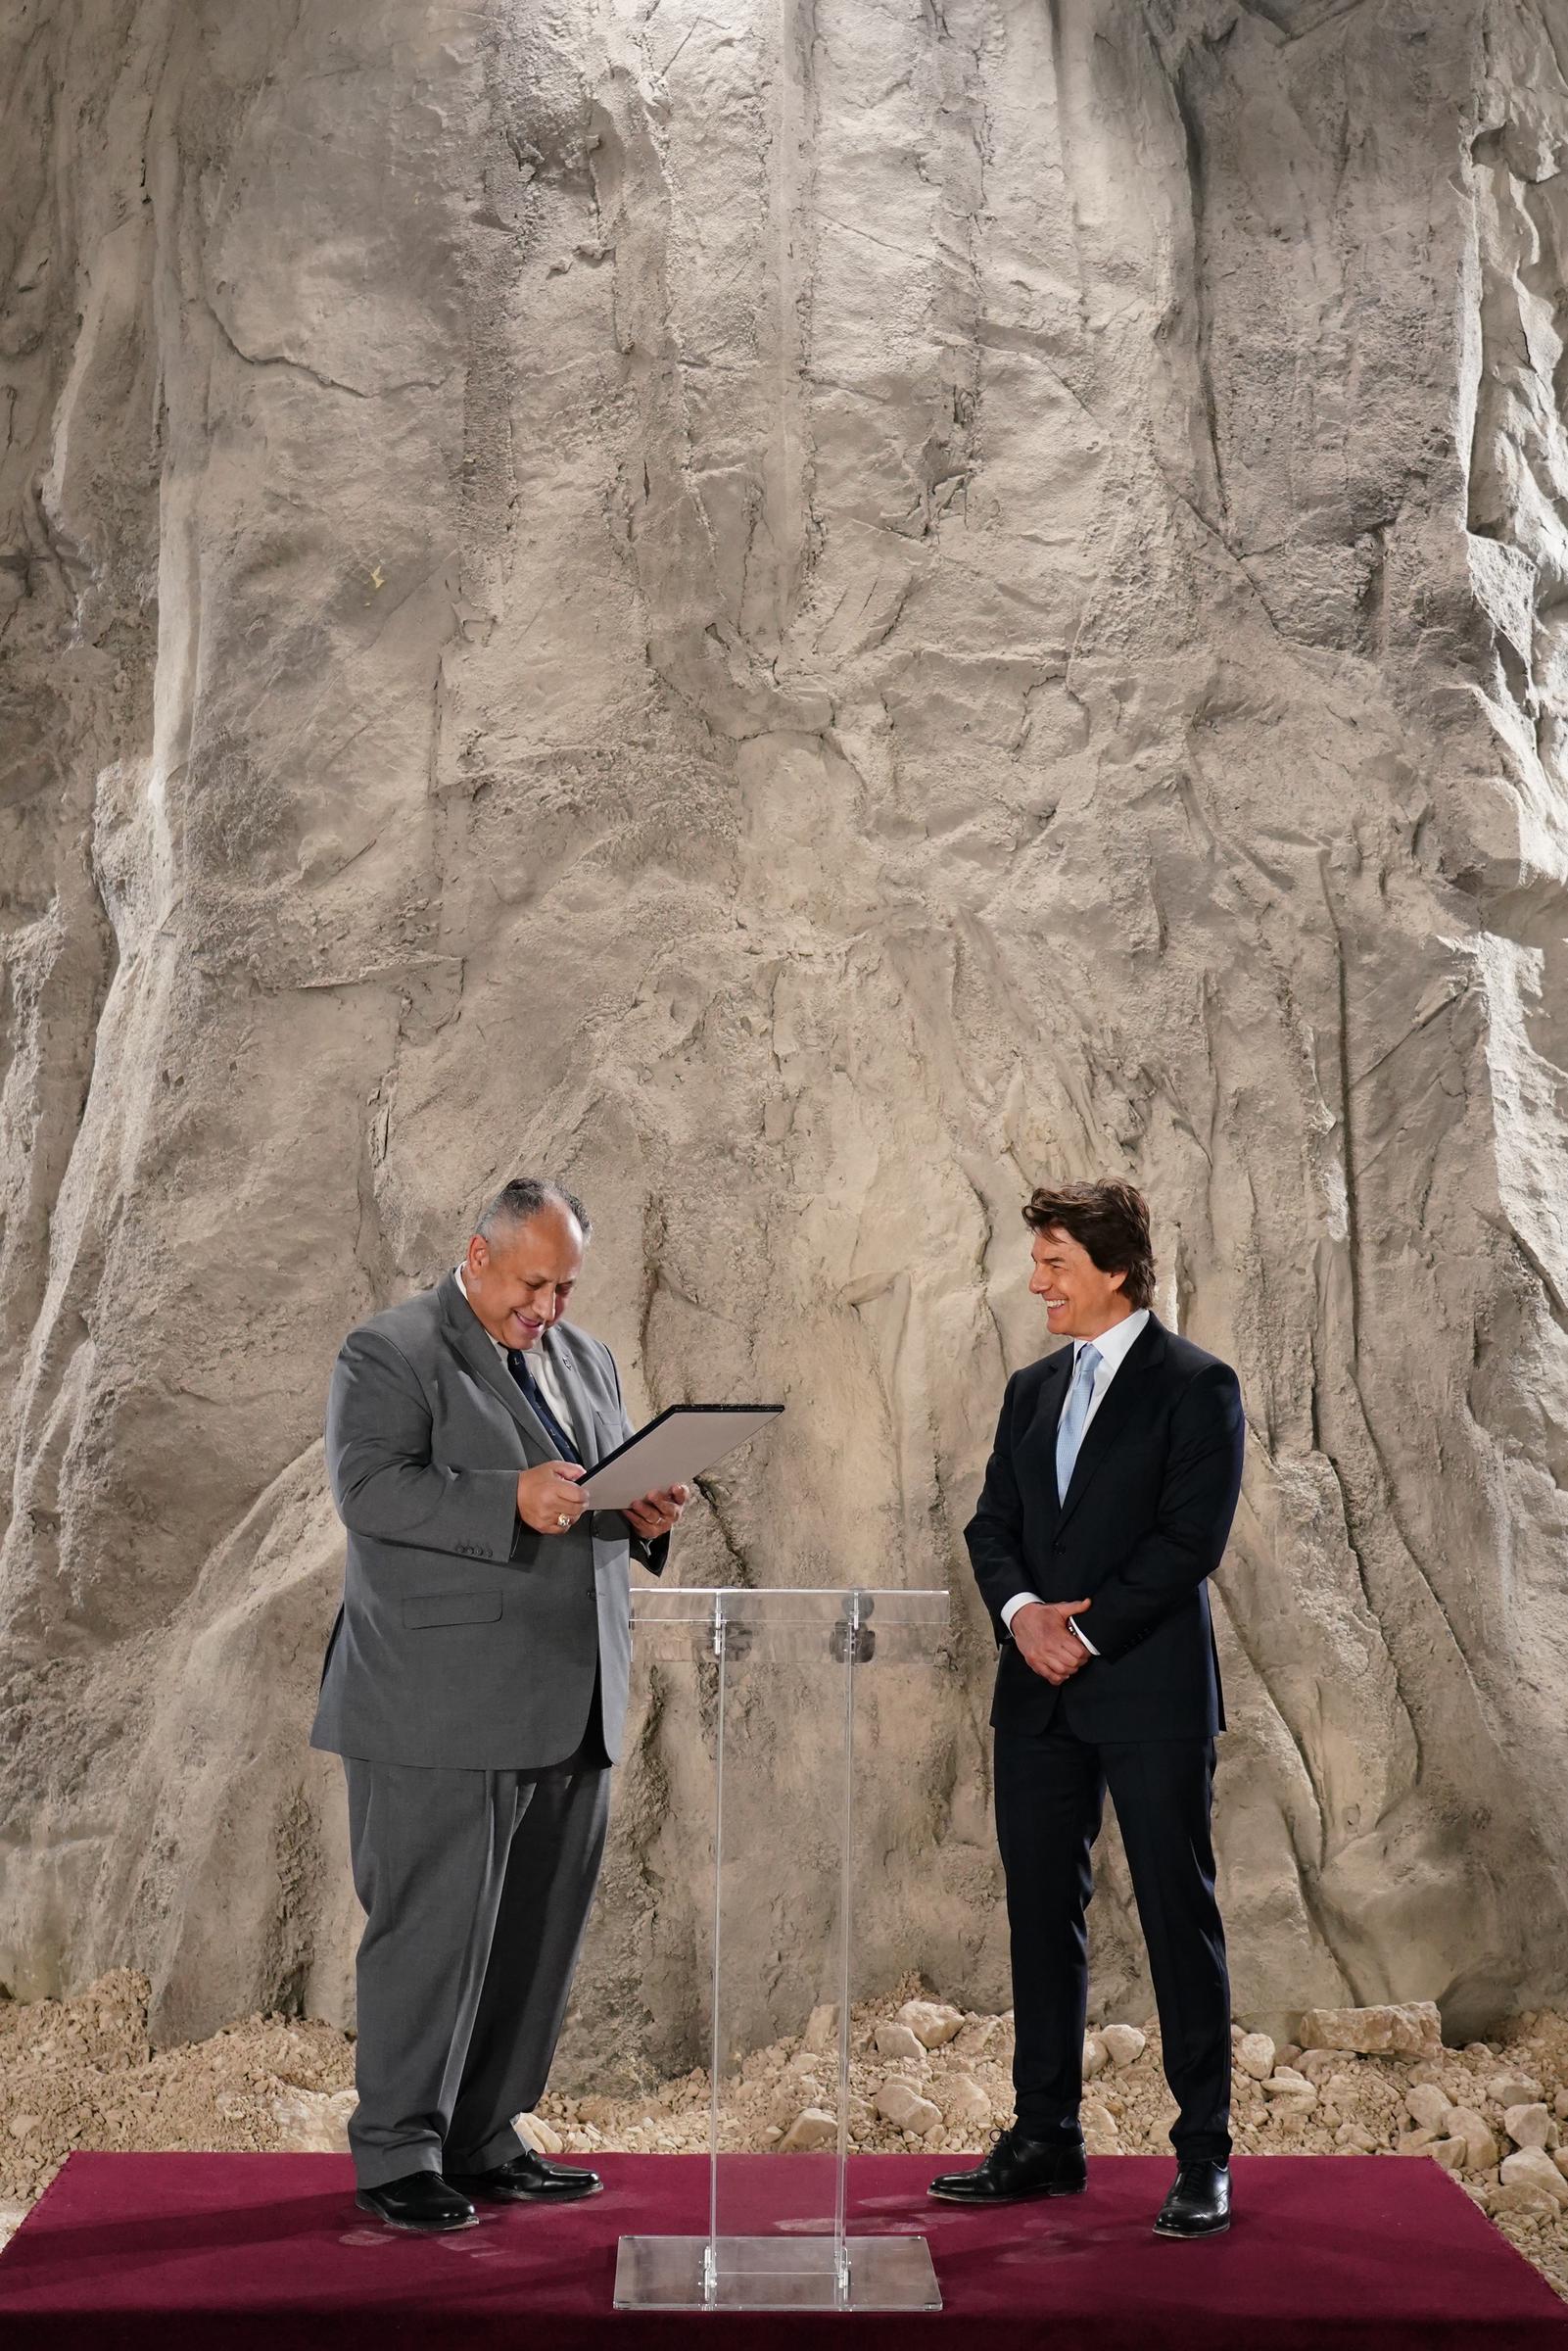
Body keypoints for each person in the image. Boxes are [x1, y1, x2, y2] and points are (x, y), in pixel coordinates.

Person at [311, 1177, 689, 2234]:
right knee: (430, 1933)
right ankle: (397, 2152)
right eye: (533, 1284)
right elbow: (369, 1491)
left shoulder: (588, 1359)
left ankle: (485, 2135)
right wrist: (506, 1496)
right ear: (475, 1255)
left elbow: (593, 1497)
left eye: (565, 1287)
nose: (550, 1309)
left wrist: (645, 1512)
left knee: (534, 1934)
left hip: (572, 1701)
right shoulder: (387, 1352)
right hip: (434, 1706)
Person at [930, 1179, 1245, 2239]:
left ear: (1115, 1269)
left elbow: (1186, 1543)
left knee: (1174, 1914)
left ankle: (1203, 2155)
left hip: (1146, 1692)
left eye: (1055, 1262)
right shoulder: (1029, 1390)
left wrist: (1083, 1631)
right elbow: (990, 1526)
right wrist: (1021, 1615)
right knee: (1037, 1919)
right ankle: (1042, 2139)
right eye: (1037, 1262)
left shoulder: (1196, 1386)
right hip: (1034, 1696)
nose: (1037, 1283)